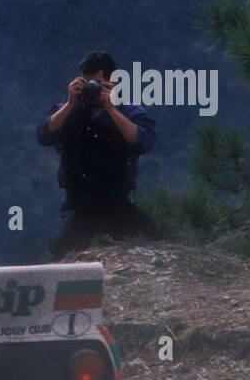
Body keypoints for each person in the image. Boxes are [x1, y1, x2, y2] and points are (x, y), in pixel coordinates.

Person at [37, 52, 161, 260]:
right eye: (86, 84)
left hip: (116, 201)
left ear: (112, 83)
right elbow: (44, 135)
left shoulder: (129, 111)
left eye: (97, 84)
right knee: (60, 257)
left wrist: (111, 108)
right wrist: (70, 103)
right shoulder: (66, 110)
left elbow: (142, 141)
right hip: (79, 202)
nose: (91, 90)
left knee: (154, 242)